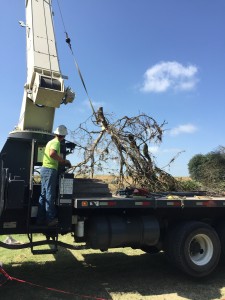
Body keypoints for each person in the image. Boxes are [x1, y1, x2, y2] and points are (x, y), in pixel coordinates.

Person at [37, 125, 71, 226]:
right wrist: (64, 161)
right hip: (50, 170)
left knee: (43, 195)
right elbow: (52, 154)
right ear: (63, 136)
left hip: (44, 169)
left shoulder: (50, 142)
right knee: (49, 194)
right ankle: (51, 219)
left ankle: (40, 219)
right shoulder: (56, 143)